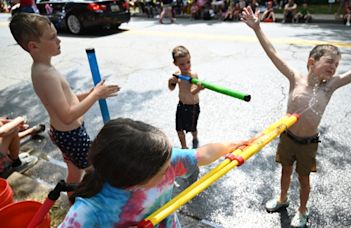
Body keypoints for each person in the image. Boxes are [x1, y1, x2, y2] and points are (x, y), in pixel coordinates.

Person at [241, 6, 351, 227]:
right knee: (285, 171)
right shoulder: (295, 78)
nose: (333, 67)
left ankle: (303, 210)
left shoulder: (330, 86)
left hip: (308, 143)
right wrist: (257, 28)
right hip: (287, 137)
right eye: (329, 62)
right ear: (311, 62)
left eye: (336, 65)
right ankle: (282, 198)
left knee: (303, 178)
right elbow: (273, 53)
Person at [58, 118, 243, 227]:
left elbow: (203, 154)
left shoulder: (162, 160)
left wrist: (234, 145)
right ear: (133, 180)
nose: (170, 168)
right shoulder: (87, 212)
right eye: (162, 171)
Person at [9, 13, 120, 190]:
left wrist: (90, 93)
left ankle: (72, 198)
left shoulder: (45, 68)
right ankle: (88, 203)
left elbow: (68, 99)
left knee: (75, 172)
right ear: (34, 46)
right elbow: (67, 116)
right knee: (97, 171)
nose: (59, 40)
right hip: (72, 135)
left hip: (66, 134)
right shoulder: (45, 75)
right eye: (52, 37)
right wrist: (96, 95)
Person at [168, 45, 203, 150]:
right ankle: (184, 147)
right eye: (182, 64)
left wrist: (199, 88)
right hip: (181, 105)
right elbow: (171, 88)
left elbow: (192, 91)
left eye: (188, 62)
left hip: (193, 107)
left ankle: (195, 138)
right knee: (179, 128)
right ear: (175, 64)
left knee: (192, 128)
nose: (186, 66)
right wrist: (171, 81)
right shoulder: (177, 74)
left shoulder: (193, 75)